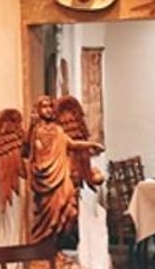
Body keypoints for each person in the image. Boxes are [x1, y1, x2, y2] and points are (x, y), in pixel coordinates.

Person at [22, 95, 104, 243]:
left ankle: (56, 247)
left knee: (69, 211)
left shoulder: (58, 130)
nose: (48, 110)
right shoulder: (36, 131)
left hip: (59, 177)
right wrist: (31, 126)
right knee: (47, 216)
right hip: (44, 179)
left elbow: (72, 144)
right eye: (44, 107)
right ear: (38, 110)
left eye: (50, 106)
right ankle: (44, 248)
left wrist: (91, 145)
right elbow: (26, 150)